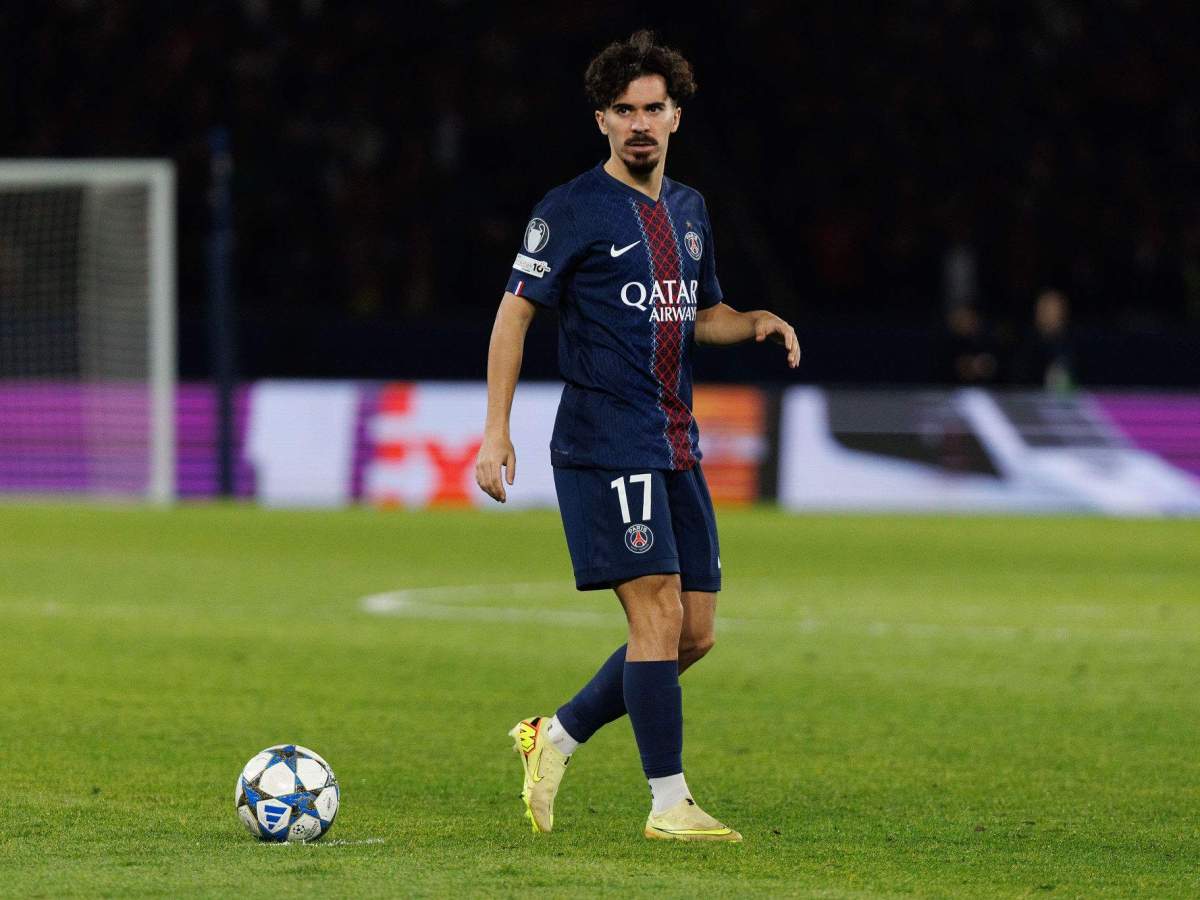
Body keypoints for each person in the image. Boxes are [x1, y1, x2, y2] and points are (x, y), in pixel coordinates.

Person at [474, 30, 799, 843]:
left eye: (653, 108)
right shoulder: (571, 208)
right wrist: (494, 432)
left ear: (676, 117)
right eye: (624, 110)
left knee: (695, 633)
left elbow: (703, 312)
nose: (640, 123)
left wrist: (751, 320)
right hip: (603, 441)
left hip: (675, 444)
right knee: (653, 618)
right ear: (602, 122)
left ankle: (555, 735)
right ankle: (669, 803)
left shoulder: (689, 211)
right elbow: (514, 315)